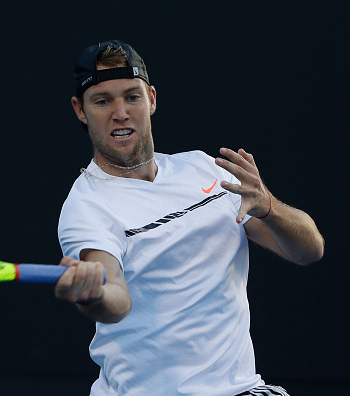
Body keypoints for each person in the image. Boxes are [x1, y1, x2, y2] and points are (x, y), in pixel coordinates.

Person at [55, 40, 324, 396]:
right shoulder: (87, 204)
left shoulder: (203, 169)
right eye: (103, 101)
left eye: (131, 97)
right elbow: (116, 298)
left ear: (151, 99)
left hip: (241, 389)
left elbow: (310, 250)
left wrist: (268, 206)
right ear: (80, 110)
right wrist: (93, 293)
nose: (120, 112)